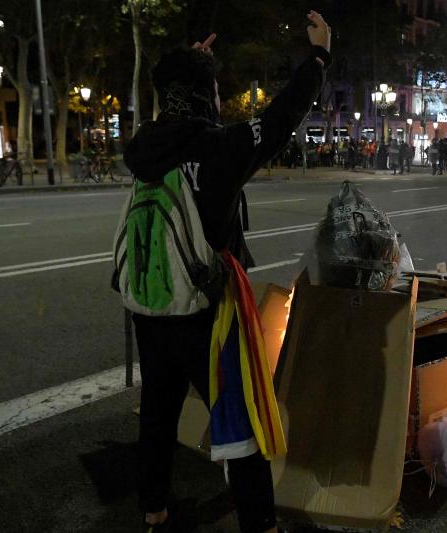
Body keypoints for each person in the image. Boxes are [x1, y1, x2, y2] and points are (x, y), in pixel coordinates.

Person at [121, 12, 332, 533]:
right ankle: (259, 523)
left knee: (158, 412)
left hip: (153, 306)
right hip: (207, 310)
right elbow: (282, 116)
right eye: (213, 89)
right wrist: (319, 58)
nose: (218, 100)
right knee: (240, 418)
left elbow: (177, 108)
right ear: (203, 96)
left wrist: (192, 66)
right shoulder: (218, 149)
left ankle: (155, 511)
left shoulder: (145, 148)